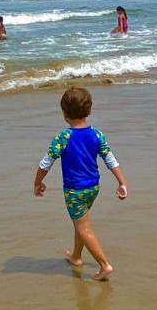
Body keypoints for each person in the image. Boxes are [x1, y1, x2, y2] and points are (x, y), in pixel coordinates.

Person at [34, 87, 128, 281]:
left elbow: (46, 163)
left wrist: (38, 182)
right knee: (81, 223)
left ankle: (105, 265)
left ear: (65, 114)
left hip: (74, 191)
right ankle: (76, 257)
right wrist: (122, 182)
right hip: (93, 188)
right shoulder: (97, 135)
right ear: (89, 111)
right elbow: (110, 159)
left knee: (82, 227)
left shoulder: (63, 138)